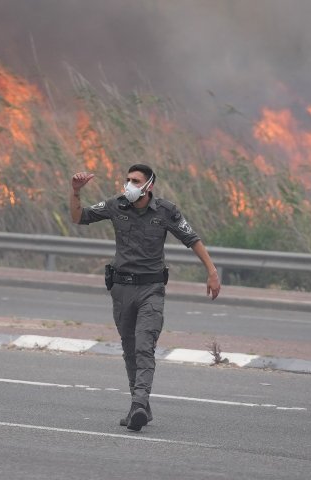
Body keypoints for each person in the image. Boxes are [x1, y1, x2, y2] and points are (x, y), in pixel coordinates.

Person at [70, 164, 221, 431]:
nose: (128, 184)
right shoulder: (115, 205)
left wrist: (212, 271)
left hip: (151, 289)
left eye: (135, 180)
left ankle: (139, 405)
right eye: (127, 179)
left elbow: (192, 239)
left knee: (144, 346)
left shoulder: (165, 211)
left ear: (148, 185)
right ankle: (139, 407)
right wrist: (75, 192)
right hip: (121, 289)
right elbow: (79, 217)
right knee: (129, 350)